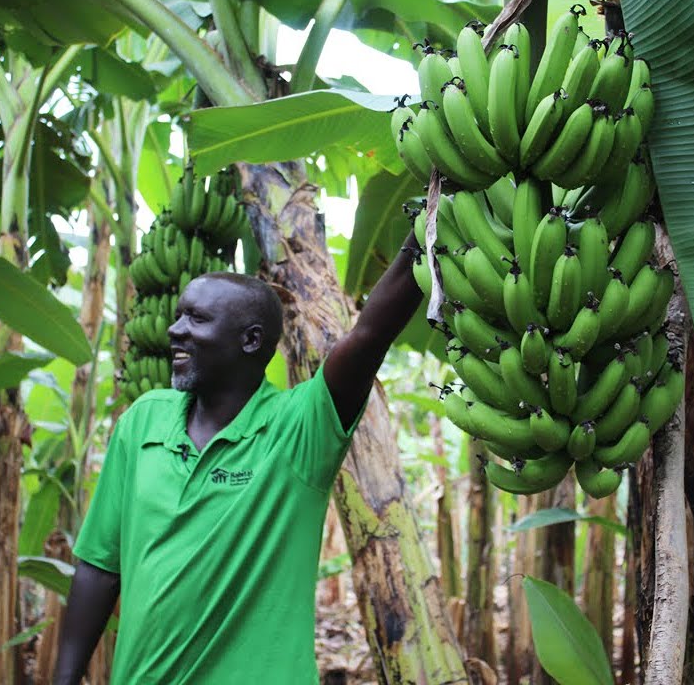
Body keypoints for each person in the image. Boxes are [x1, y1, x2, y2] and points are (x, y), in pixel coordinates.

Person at [52, 229, 425, 684]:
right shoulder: (142, 423)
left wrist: (428, 224)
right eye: (178, 316)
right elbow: (100, 568)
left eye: (197, 319)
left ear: (250, 340)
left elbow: (369, 335)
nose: (175, 329)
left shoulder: (296, 431)